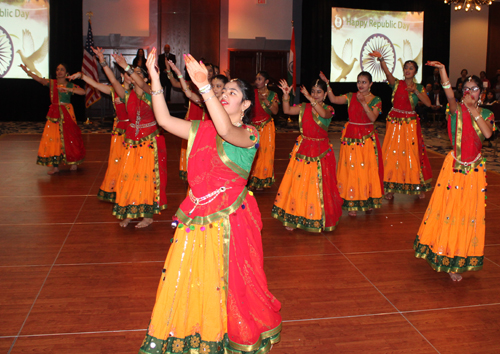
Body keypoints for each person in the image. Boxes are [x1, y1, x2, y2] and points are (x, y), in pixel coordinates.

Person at [138, 49, 282, 354]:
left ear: (245, 105)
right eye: (223, 90)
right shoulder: (200, 129)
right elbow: (163, 119)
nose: (225, 94)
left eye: (233, 92)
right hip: (196, 218)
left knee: (229, 284)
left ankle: (227, 334)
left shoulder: (249, 134)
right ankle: (197, 331)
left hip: (230, 222)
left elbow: (226, 130)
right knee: (192, 279)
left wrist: (205, 87)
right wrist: (154, 78)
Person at [414, 62, 495, 282]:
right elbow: (450, 95)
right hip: (454, 168)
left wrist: (474, 110)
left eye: (474, 89)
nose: (469, 92)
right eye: (466, 89)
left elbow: (488, 135)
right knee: (451, 211)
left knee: (468, 214)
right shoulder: (455, 109)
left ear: (482, 93)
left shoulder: (486, 113)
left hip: (475, 170)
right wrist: (442, 71)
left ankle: (461, 254)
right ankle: (446, 255)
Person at [272, 79, 343, 232]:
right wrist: (285, 96)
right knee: (298, 182)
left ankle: (317, 216)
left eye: (319, 92)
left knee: (318, 185)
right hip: (303, 149)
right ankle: (293, 215)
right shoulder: (303, 107)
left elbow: (322, 114)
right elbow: (287, 111)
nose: (315, 95)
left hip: (320, 152)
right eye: (313, 91)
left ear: (324, 95)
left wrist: (311, 99)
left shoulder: (329, 109)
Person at [111, 54, 168, 228]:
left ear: (144, 77)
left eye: (136, 73)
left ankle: (147, 215)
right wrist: (102, 63)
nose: (131, 75)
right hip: (131, 142)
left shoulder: (152, 93)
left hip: (148, 141)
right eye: (131, 73)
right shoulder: (127, 95)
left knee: (146, 178)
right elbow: (114, 83)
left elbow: (142, 85)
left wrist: (126, 66)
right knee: (127, 178)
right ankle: (128, 212)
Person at [68, 47, 131, 202]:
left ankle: (130, 189)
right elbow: (96, 85)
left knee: (131, 161)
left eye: (132, 76)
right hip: (119, 130)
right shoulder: (114, 90)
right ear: (122, 77)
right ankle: (116, 188)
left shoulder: (139, 93)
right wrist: (82, 76)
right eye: (127, 75)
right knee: (117, 160)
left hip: (133, 132)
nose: (130, 78)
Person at [369, 51, 433, 200]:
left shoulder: (419, 87)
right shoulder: (397, 84)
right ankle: (390, 188)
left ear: (415, 72)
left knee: (412, 155)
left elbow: (429, 104)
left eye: (411, 68)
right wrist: (382, 59)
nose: (408, 70)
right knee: (392, 155)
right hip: (394, 123)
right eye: (406, 68)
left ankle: (418, 185)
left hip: (410, 125)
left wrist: (416, 91)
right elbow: (387, 72)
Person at [321, 71, 384, 216]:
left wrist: (363, 102)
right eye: (359, 82)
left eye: (364, 82)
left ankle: (368, 200)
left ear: (370, 84)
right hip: (351, 136)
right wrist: (327, 84)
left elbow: (373, 118)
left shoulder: (376, 100)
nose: (360, 85)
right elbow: (334, 99)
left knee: (367, 169)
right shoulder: (350, 96)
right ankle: (352, 203)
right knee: (351, 169)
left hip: (366, 138)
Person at [20, 63, 86, 175]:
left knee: (70, 136)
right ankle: (55, 167)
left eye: (62, 69)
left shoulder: (70, 85)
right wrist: (27, 71)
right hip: (54, 113)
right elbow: (40, 80)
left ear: (67, 73)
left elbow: (82, 92)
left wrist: (68, 90)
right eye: (57, 69)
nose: (59, 71)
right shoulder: (52, 83)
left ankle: (73, 162)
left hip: (67, 113)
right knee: (53, 138)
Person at [248, 71, 279, 190]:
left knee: (265, 154)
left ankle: (261, 179)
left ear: (266, 82)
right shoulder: (252, 93)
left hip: (267, 127)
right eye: (256, 79)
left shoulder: (272, 95)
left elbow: (275, 112)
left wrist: (265, 100)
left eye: (260, 79)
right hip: (253, 127)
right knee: (252, 154)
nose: (257, 81)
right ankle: (251, 179)